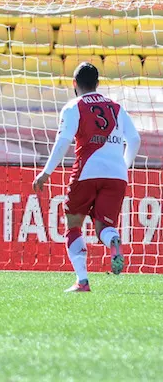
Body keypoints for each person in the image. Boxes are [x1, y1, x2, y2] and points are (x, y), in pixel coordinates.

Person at [32, 62, 140, 293]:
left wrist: (46, 172)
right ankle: (113, 240)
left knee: (73, 225)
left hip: (87, 170)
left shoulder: (74, 107)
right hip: (117, 175)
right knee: (103, 227)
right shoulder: (117, 108)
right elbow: (135, 139)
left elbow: (63, 141)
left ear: (74, 84)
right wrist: (124, 166)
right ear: (98, 84)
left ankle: (82, 280)